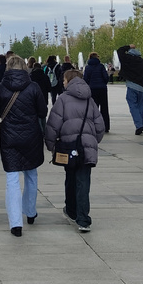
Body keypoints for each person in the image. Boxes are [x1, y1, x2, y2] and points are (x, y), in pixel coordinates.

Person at [44, 68, 105, 231]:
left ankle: (71, 210)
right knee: (83, 182)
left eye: (64, 80)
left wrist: (51, 145)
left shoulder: (63, 99)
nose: (63, 83)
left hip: (68, 146)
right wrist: (93, 141)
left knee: (70, 178)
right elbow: (100, 125)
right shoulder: (90, 100)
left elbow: (53, 125)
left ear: (69, 81)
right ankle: (83, 219)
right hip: (87, 148)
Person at [0, 55, 46, 236]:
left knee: (12, 179)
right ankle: (30, 211)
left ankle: (15, 223)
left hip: (9, 137)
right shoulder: (33, 87)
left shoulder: (0, 88)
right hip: (31, 136)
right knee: (31, 174)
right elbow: (42, 111)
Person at [116, 42, 143, 135]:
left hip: (131, 85)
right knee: (140, 107)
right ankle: (141, 123)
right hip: (141, 87)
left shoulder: (127, 59)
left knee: (133, 106)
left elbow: (119, 51)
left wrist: (128, 46)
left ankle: (139, 125)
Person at [82, 51, 110, 132]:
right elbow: (106, 77)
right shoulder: (101, 66)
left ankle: (94, 126)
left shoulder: (87, 67)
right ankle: (106, 126)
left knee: (93, 108)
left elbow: (85, 79)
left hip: (92, 89)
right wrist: (103, 83)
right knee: (104, 108)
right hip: (102, 89)